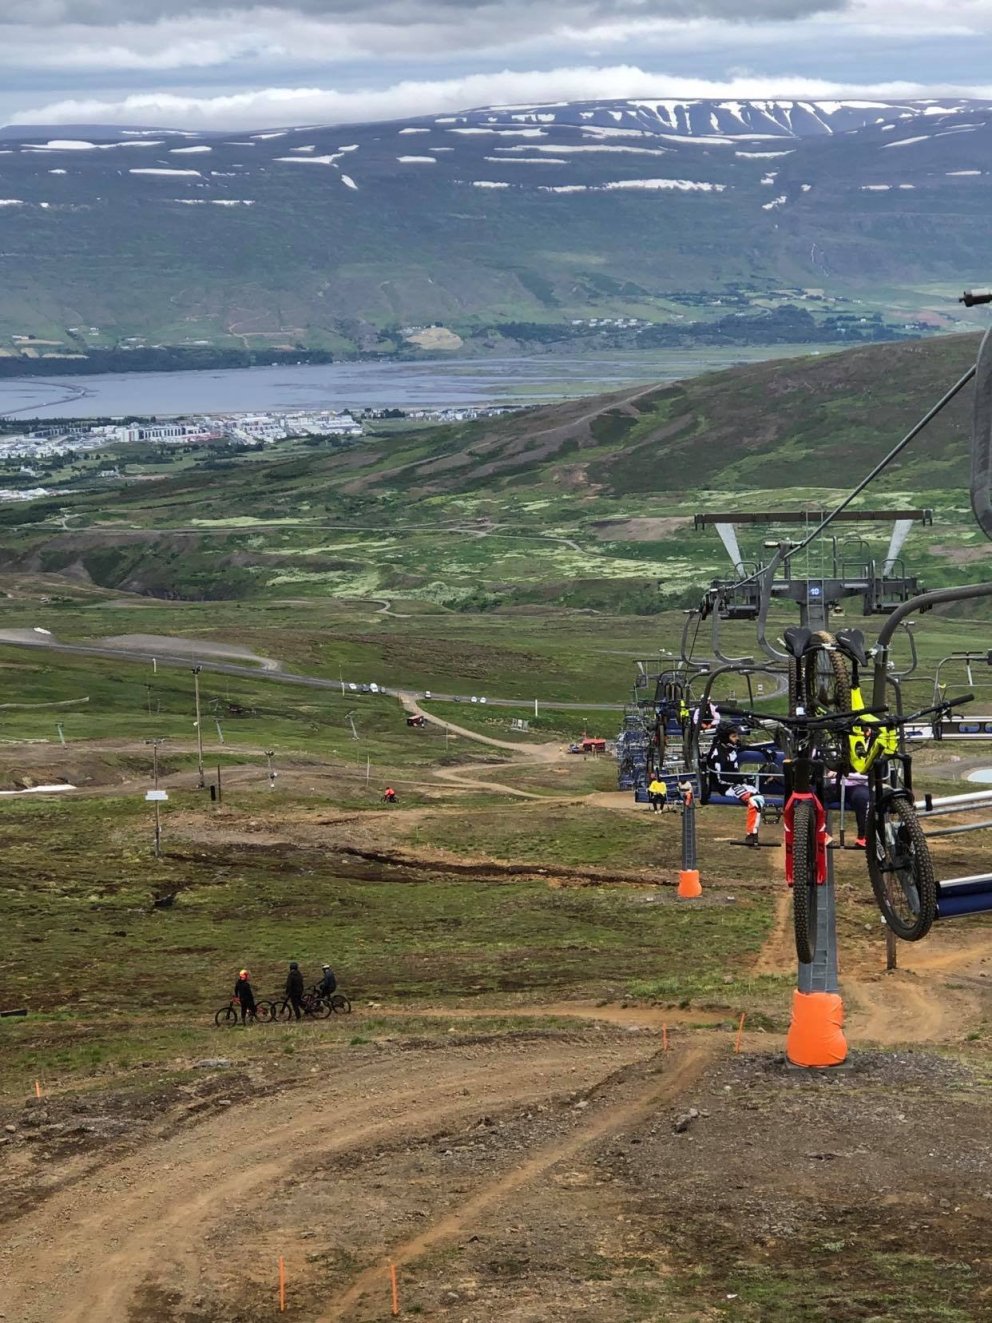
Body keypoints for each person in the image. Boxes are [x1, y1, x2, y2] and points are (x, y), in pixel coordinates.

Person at [706, 723, 765, 846]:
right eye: (734, 736)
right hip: (727, 787)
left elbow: (743, 747)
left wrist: (762, 750)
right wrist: (741, 779)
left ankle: (753, 833)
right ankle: (751, 835)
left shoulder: (730, 747)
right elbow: (720, 779)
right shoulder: (718, 754)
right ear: (726, 738)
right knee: (755, 800)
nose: (737, 738)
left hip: (736, 783)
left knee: (759, 799)